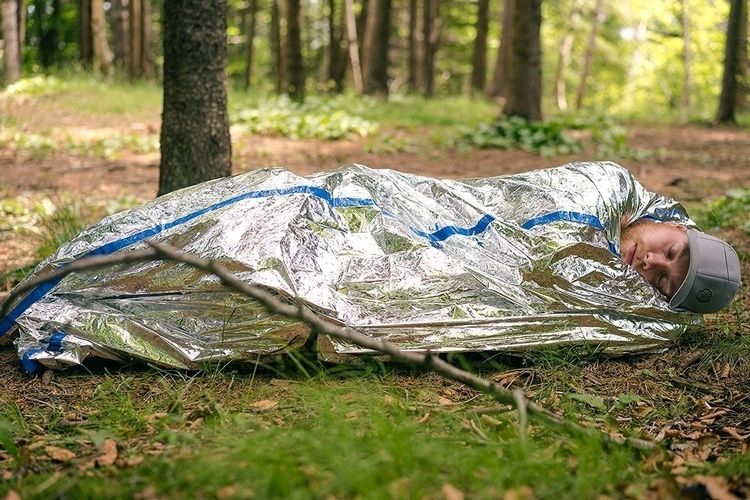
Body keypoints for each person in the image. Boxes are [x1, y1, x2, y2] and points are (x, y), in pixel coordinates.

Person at [0, 161, 742, 372]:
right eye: (671, 252)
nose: (652, 263)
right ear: (677, 225)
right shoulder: (599, 193)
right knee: (262, 215)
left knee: (275, 295)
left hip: (399, 276)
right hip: (372, 208)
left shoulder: (611, 309)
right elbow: (513, 214)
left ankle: (76, 309)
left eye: (664, 283)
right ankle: (76, 275)